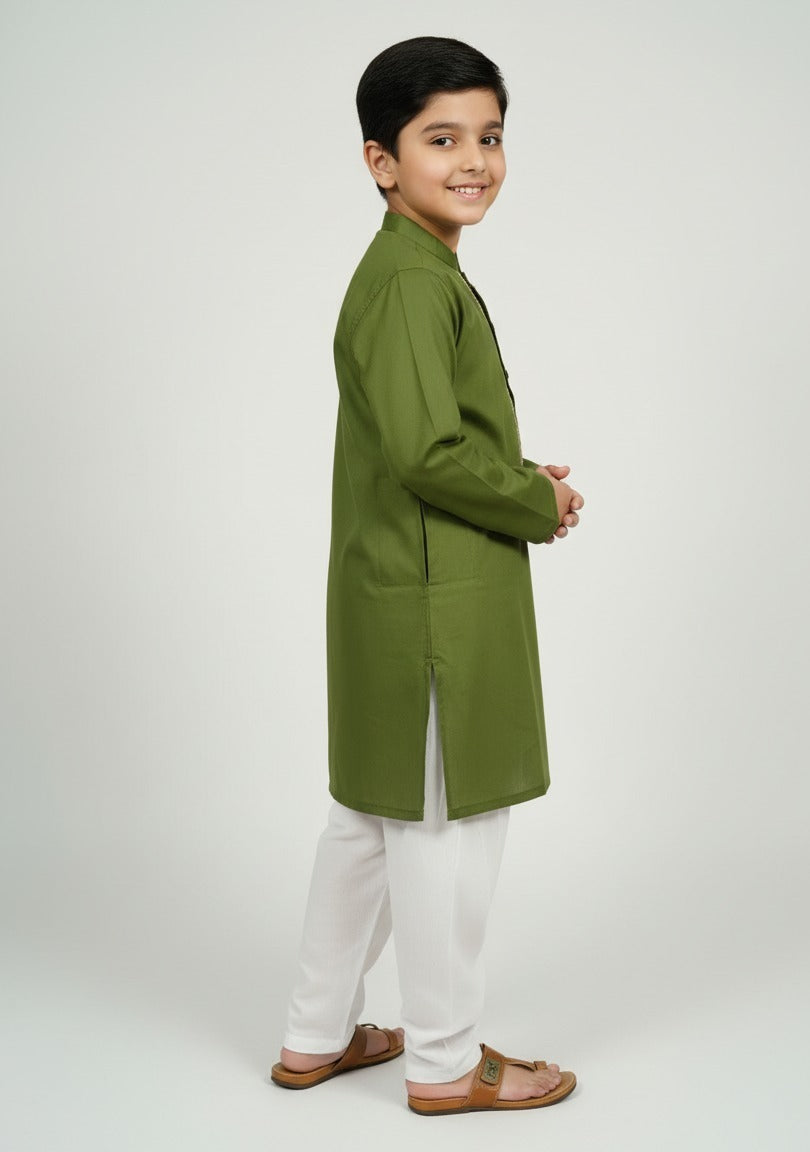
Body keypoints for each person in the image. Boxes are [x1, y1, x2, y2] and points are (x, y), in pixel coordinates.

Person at [270, 35, 584, 1116]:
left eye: (489, 136)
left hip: (392, 594)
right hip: (433, 610)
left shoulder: (412, 269)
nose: (475, 161)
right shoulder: (412, 281)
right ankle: (446, 1062)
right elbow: (428, 454)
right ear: (381, 160)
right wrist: (536, 501)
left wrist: (515, 474)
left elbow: (426, 441)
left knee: (368, 829)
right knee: (446, 837)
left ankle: (316, 1034)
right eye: (441, 139)